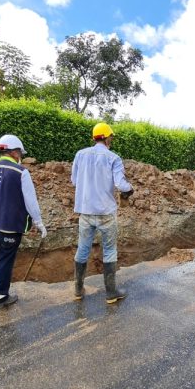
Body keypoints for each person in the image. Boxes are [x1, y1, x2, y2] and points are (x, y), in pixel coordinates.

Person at [0, 134, 47, 309]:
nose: (20, 156)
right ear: (14, 152)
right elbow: (30, 201)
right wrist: (38, 222)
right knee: (4, 261)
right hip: (10, 227)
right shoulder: (21, 173)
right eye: (20, 153)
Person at [71, 122, 133, 304]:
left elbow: (74, 181)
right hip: (106, 212)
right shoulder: (113, 158)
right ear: (106, 138)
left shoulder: (80, 154)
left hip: (85, 211)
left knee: (83, 249)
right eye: (110, 137)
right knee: (110, 250)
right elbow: (121, 184)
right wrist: (130, 189)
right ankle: (111, 293)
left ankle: (78, 290)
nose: (111, 140)